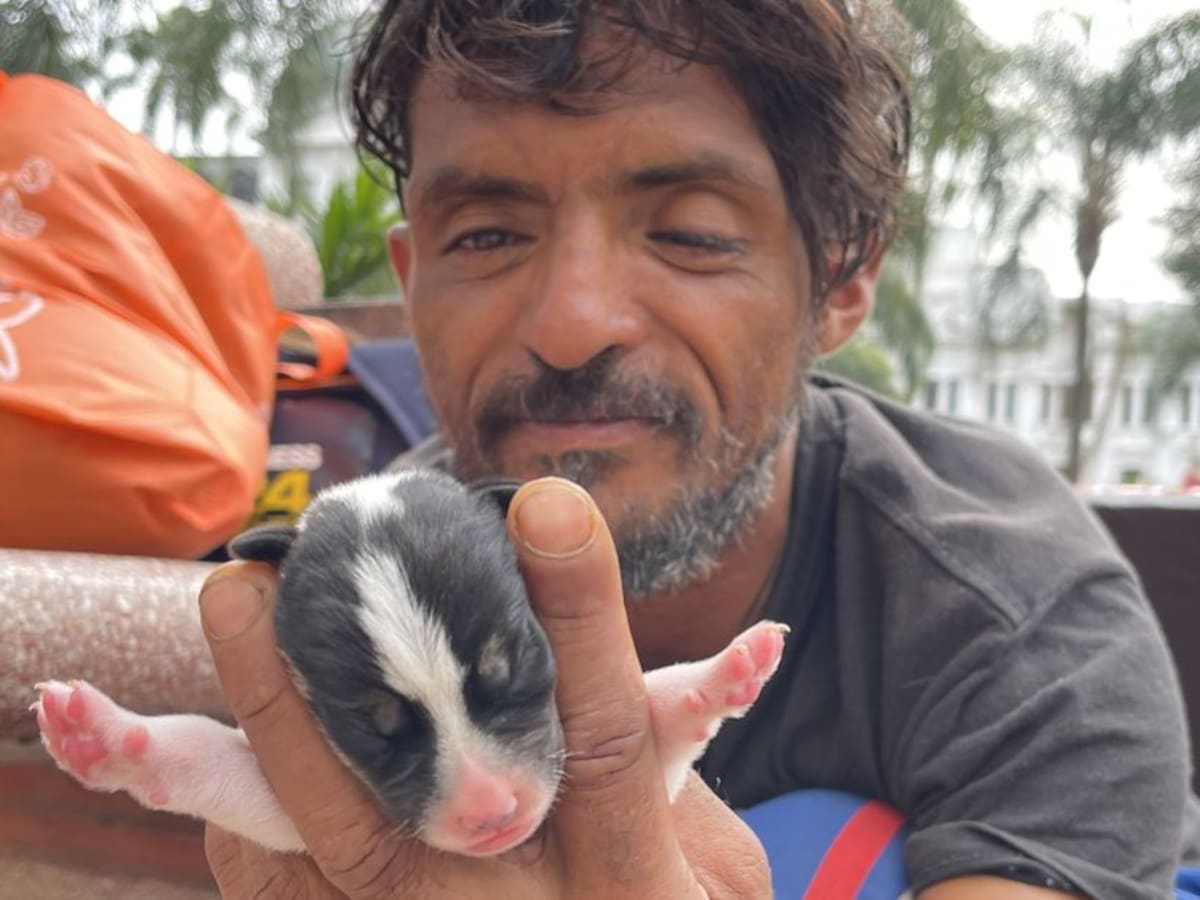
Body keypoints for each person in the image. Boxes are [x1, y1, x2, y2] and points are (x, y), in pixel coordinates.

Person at [196, 1, 1200, 897]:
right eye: (489, 237)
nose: (573, 322)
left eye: (691, 232)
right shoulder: (348, 601)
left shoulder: (1009, 612)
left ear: (842, 275)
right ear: (411, 284)